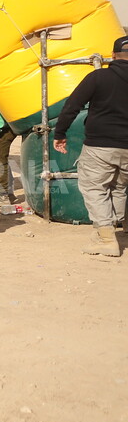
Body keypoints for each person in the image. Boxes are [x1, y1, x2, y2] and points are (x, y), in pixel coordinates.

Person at [53, 34, 128, 257]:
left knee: (96, 188)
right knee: (120, 187)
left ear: (113, 55)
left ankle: (106, 239)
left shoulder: (98, 77)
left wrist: (60, 133)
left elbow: (72, 106)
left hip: (100, 146)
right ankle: (112, 228)